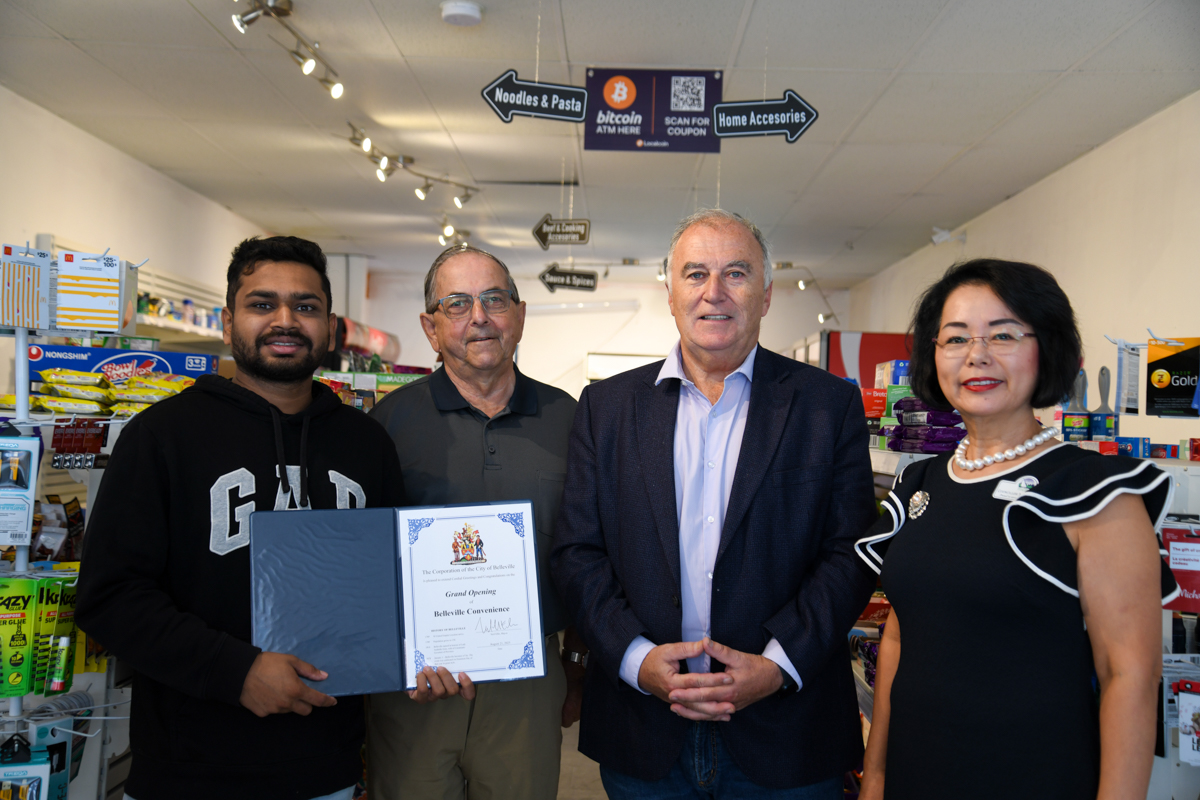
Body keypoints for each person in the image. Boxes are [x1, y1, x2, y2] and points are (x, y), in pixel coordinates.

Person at [551, 209, 879, 798]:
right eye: (696, 273)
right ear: (671, 292)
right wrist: (634, 657)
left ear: (767, 294)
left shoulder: (827, 406)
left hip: (786, 733)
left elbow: (850, 553)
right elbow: (577, 551)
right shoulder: (605, 408)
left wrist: (778, 665)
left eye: (736, 273)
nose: (714, 293)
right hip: (643, 730)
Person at [75, 236, 413, 800]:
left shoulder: (366, 444)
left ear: (329, 327)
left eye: (305, 307)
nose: (285, 320)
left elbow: (394, 582)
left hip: (325, 770)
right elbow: (110, 598)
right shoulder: (161, 437)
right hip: (189, 773)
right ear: (229, 322)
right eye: (262, 304)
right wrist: (236, 672)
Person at [856, 259, 1178, 800]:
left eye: (1003, 334)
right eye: (955, 338)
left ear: (1045, 348)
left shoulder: (1093, 491)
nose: (977, 355)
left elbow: (1130, 676)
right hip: (918, 773)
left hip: (1036, 776)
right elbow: (900, 636)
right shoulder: (920, 480)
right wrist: (878, 778)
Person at [367, 244, 586, 800]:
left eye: (494, 299)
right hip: (417, 681)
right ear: (431, 328)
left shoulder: (571, 420)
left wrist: (580, 662)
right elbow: (365, 559)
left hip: (529, 680)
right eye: (458, 304)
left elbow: (593, 548)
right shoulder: (385, 425)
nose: (479, 317)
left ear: (520, 314)